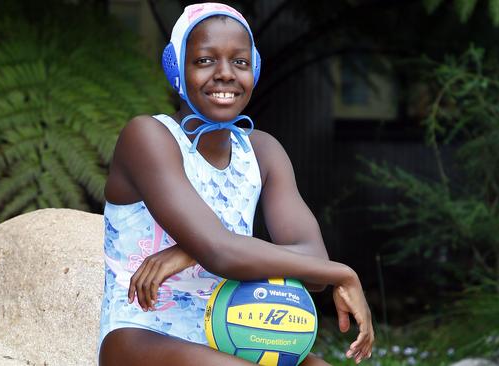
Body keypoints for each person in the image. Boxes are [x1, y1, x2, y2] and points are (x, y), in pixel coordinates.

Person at [98, 3, 374, 365]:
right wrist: (345, 273)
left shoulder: (262, 151)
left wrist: (192, 251)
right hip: (143, 335)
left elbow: (314, 263)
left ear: (254, 70)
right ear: (177, 69)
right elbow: (222, 253)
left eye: (240, 62)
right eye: (204, 61)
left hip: (233, 329)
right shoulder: (148, 137)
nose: (225, 74)